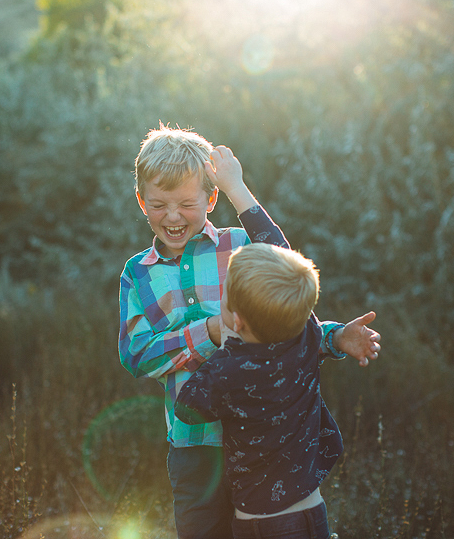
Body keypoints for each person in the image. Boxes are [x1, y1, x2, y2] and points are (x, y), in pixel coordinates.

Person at [118, 124, 380, 538]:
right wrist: (212, 331)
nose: (172, 216)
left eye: (186, 203)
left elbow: (288, 300)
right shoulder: (138, 274)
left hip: (266, 441)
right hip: (195, 444)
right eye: (158, 204)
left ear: (211, 196)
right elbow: (136, 355)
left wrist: (331, 337)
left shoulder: (239, 245)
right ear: (141, 201)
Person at [175, 243, 370, 538]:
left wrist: (226, 346)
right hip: (313, 512)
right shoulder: (305, 336)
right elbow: (279, 246)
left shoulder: (230, 368)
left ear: (237, 320)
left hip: (263, 525)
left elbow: (186, 407)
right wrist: (339, 336)